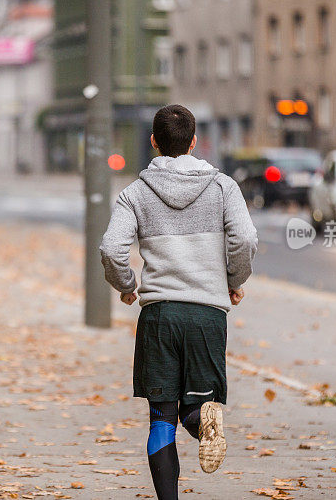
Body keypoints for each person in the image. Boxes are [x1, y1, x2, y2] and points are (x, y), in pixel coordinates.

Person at [100, 104, 258, 500]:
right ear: (194, 142)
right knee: (199, 402)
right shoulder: (223, 187)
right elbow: (245, 239)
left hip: (159, 316)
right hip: (207, 314)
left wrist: (127, 285)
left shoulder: (134, 193)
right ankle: (201, 414)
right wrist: (234, 280)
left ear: (153, 141)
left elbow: (111, 249)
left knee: (160, 419)